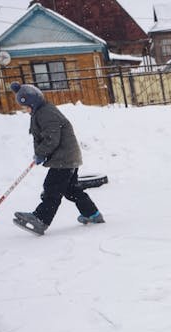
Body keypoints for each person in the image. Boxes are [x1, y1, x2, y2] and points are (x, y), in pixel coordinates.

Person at [9, 82, 105, 235]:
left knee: (52, 188)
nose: (25, 110)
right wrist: (40, 153)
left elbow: (51, 138)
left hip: (64, 158)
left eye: (26, 107)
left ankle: (41, 219)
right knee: (71, 189)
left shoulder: (46, 113)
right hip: (68, 157)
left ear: (33, 103)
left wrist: (41, 153)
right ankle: (92, 214)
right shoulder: (40, 111)